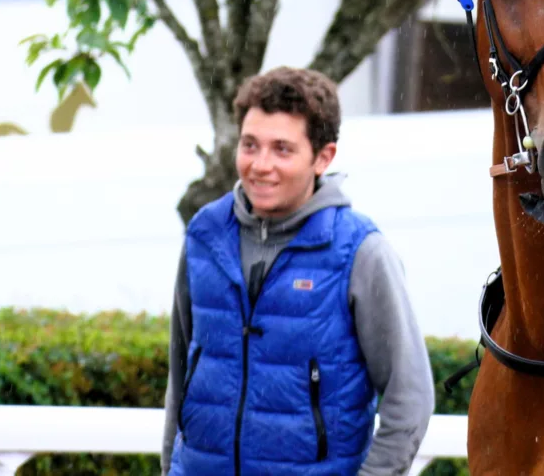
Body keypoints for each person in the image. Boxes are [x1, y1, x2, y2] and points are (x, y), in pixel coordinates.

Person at [161, 66, 435, 475]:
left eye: (282, 149)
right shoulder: (205, 234)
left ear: (323, 157)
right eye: (250, 145)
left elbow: (410, 397)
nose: (260, 165)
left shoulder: (361, 252)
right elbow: (180, 373)